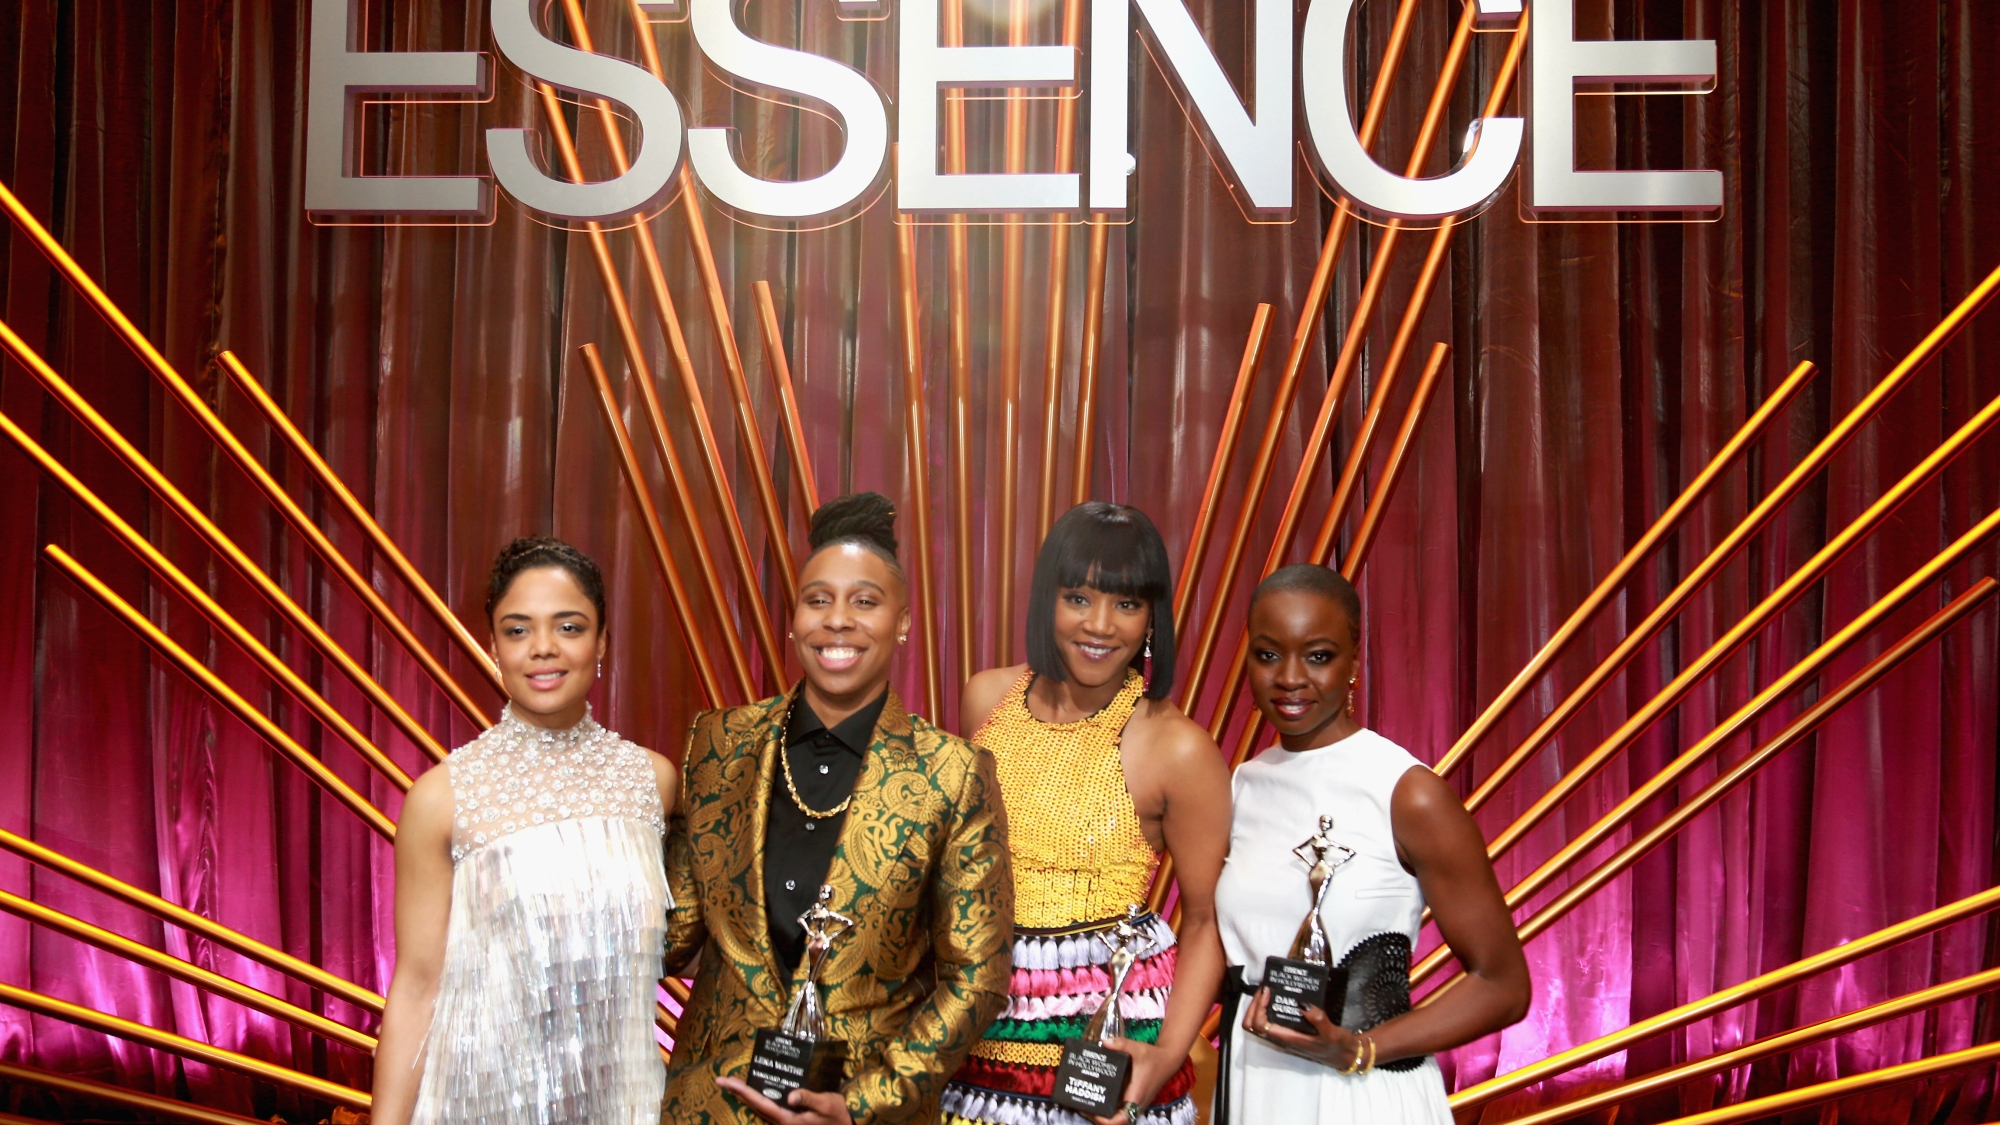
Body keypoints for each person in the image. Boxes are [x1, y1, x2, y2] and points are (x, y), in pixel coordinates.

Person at [663, 492, 1014, 1125]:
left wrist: (862, 1104)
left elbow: (977, 978)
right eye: (817, 599)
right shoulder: (717, 744)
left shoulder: (952, 774)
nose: (838, 621)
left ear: (902, 622)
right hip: (710, 1104)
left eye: (865, 602)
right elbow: (674, 931)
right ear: (793, 618)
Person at [372, 538, 680, 1125]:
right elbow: (416, 987)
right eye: (518, 631)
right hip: (478, 1105)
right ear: (493, 647)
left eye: (568, 626)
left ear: (601, 642)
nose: (543, 649)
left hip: (625, 1105)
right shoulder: (441, 799)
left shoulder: (653, 782)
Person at [944, 502, 1231, 1125]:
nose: (1100, 625)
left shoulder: (1175, 746)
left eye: (1126, 604)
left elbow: (1208, 921)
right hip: (980, 1027)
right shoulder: (985, 698)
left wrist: (1166, 1055)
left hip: (1111, 1046)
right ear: (1046, 601)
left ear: (1154, 617)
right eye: (1078, 597)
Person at [1215, 564, 1530, 1123]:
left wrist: (1359, 1049)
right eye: (1268, 655)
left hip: (1360, 1094)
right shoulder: (1242, 785)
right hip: (1252, 1087)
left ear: (1355, 660)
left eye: (1318, 655)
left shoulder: (1407, 792)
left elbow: (1503, 986)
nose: (1290, 678)